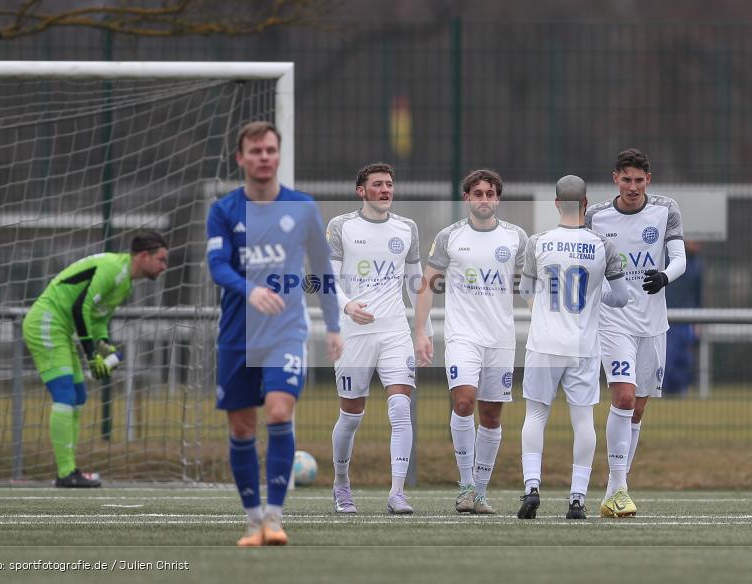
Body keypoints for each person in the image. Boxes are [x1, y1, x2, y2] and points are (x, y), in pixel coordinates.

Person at [206, 121, 343, 546]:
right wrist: (250, 290)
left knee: (280, 413)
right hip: (237, 336)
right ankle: (253, 523)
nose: (264, 157)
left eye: (270, 150)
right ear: (241, 158)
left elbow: (322, 268)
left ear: (278, 155)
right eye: (255, 151)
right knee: (242, 429)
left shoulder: (302, 207)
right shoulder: (224, 210)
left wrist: (334, 326)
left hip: (286, 333)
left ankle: (275, 518)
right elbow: (218, 267)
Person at [414, 169, 527, 515]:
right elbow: (427, 284)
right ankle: (465, 486)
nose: (484, 199)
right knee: (464, 402)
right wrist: (420, 331)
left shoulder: (516, 237)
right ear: (466, 198)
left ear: (498, 198)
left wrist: (546, 317)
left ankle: (479, 492)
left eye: (490, 193)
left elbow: (528, 286)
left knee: (491, 415)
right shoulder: (449, 236)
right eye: (477, 193)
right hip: (463, 336)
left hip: (501, 339)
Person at [517, 176, 628, 520]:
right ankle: (577, 498)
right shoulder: (603, 245)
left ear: (556, 203)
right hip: (583, 346)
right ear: (585, 203)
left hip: (544, 343)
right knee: (582, 421)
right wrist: (595, 296)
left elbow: (525, 291)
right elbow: (622, 297)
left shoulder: (537, 242)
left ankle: (532, 487)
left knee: (536, 415)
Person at [22, 231, 169, 488]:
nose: (164, 267)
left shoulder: (125, 283)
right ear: (144, 256)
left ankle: (70, 470)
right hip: (46, 321)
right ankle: (66, 473)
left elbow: (98, 319)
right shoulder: (113, 269)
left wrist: (106, 348)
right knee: (65, 393)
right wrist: (91, 356)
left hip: (62, 329)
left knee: (78, 396)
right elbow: (80, 307)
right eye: (161, 260)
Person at [585, 148, 686, 517]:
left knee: (638, 409)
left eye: (639, 180)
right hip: (613, 322)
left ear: (648, 180)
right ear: (615, 178)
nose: (632, 187)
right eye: (626, 179)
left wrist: (664, 276)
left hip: (653, 325)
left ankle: (614, 490)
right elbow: (585, 262)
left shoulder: (665, 209)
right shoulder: (596, 216)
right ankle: (621, 488)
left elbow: (679, 258)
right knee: (624, 398)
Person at [327, 163, 432, 515]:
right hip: (353, 334)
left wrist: (423, 332)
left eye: (389, 184)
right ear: (361, 191)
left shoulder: (407, 228)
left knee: (401, 408)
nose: (385, 190)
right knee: (351, 415)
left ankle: (397, 493)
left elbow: (416, 284)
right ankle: (341, 484)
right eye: (377, 185)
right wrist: (348, 306)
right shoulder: (341, 226)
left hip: (394, 332)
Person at [663, 240, 703, 395]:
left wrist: (698, 321)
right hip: (667, 319)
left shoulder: (697, 265)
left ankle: (681, 390)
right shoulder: (667, 260)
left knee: (685, 358)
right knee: (668, 357)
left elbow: (698, 295)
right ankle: (665, 390)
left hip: (686, 321)